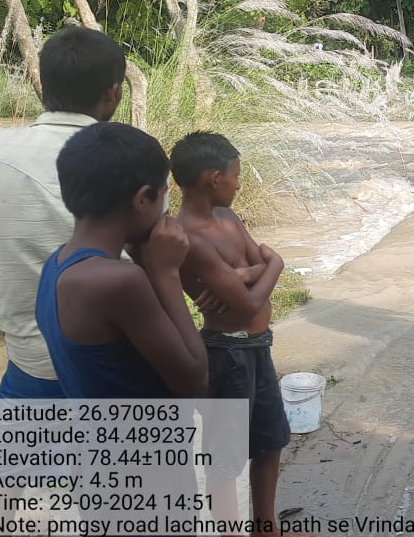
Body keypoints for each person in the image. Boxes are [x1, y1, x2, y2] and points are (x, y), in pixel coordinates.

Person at [0, 26, 126, 398]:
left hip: (31, 375)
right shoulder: (134, 160)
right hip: (116, 374)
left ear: (43, 83)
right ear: (114, 92)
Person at [170, 131, 297, 535]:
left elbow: (254, 265)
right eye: (236, 176)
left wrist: (239, 274)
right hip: (225, 355)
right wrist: (275, 265)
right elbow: (247, 304)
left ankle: (265, 528)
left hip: (258, 346)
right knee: (224, 461)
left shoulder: (227, 218)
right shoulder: (187, 236)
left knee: (271, 441)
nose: (239, 184)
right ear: (214, 178)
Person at [35, 122, 209, 397]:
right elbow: (195, 383)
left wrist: (142, 261)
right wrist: (166, 273)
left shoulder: (56, 263)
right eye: (163, 195)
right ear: (142, 200)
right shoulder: (120, 281)